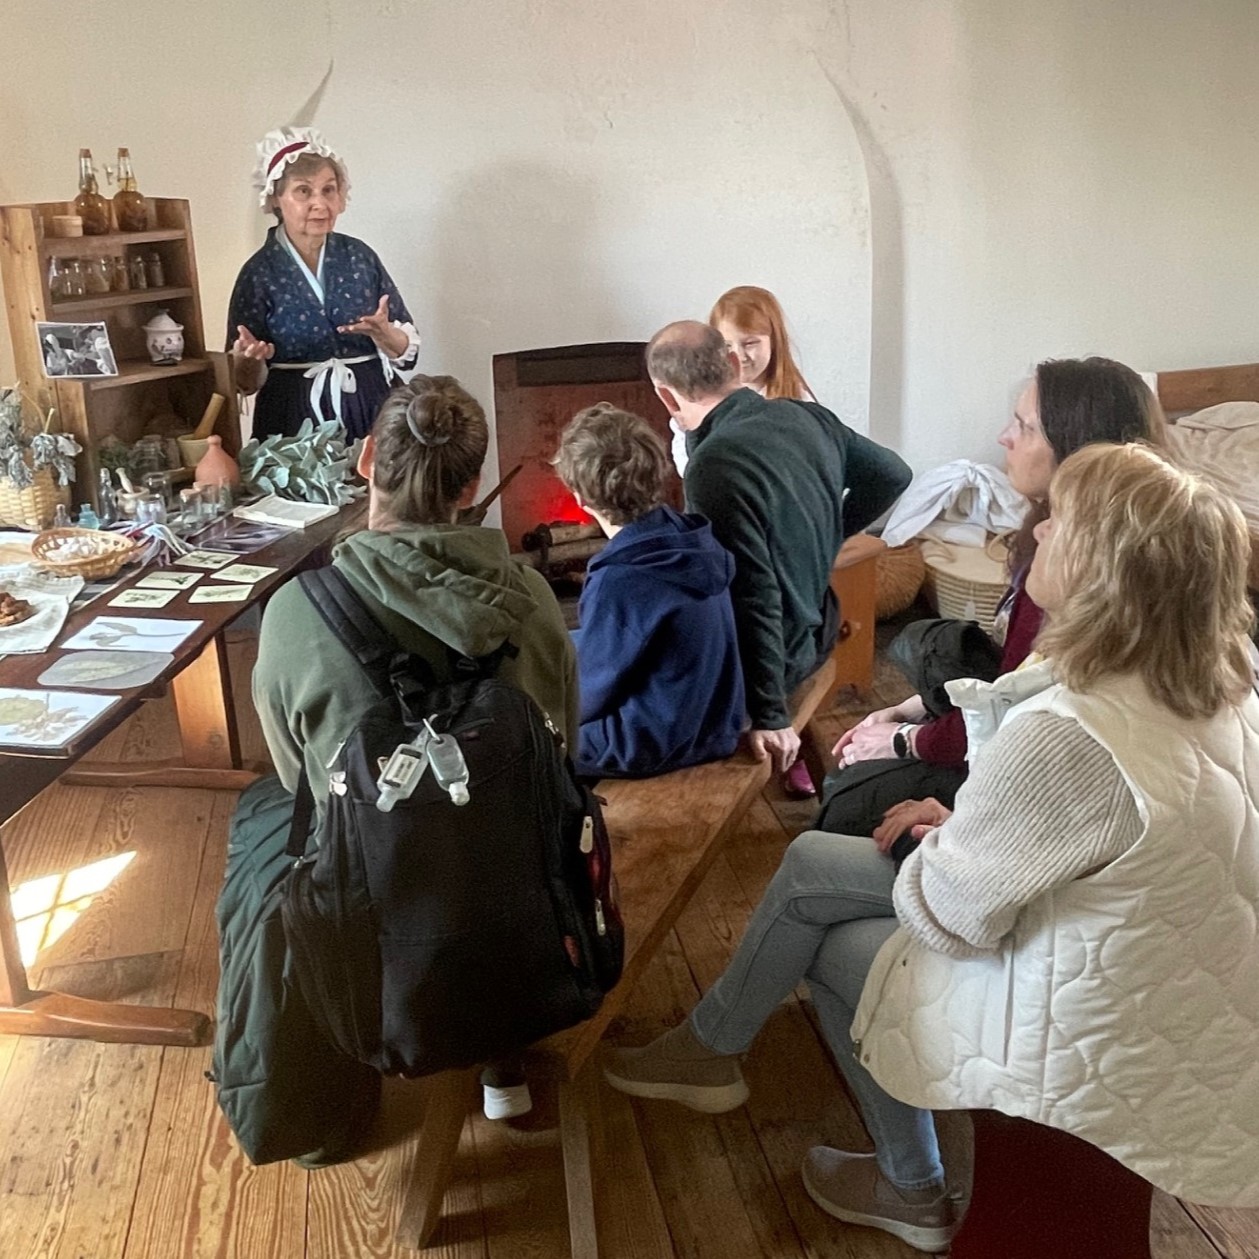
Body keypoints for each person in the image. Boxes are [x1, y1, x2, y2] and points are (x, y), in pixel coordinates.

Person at [603, 442, 1259, 1251]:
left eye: (1061, 523)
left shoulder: (1072, 732)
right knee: (811, 863)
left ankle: (902, 1176)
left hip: (1090, 1012)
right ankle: (729, 1061)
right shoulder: (1222, 680)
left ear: (1102, 566)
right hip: (1180, 988)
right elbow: (1105, 837)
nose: (1040, 529)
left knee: (838, 941)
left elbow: (952, 916)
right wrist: (970, 826)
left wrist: (949, 843)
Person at [254, 374, 578, 1125]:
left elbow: (292, 772)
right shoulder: (529, 598)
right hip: (520, 897)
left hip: (377, 907)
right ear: (470, 487)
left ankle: (327, 1083)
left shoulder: (298, 612)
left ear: (367, 460)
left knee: (264, 823)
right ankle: (505, 1058)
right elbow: (561, 747)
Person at [820, 356, 1167, 857]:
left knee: (844, 805)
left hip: (1043, 771)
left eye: (1025, 427)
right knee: (923, 645)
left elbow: (1022, 717)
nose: (1004, 436)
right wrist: (908, 711)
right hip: (1025, 725)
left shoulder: (1085, 578)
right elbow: (1017, 674)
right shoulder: (1051, 529)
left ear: (1078, 450)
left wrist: (905, 742)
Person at [647, 321, 910, 789]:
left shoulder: (713, 467)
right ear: (731, 364)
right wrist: (830, 531)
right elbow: (893, 473)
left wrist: (770, 713)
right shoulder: (809, 417)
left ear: (667, 398)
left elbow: (753, 594)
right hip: (821, 625)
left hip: (780, 659)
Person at [552, 402, 745, 778]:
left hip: (653, 740)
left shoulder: (622, 579)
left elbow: (587, 695)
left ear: (580, 498)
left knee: (535, 739)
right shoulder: (688, 538)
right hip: (715, 720)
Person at [227, 127, 421, 441]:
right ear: (276, 198)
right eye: (304, 191)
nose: (320, 204)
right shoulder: (258, 273)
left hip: (370, 408)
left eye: (328, 190)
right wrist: (248, 361)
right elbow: (243, 384)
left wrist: (386, 335)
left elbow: (408, 356)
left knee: (374, 488)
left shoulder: (360, 257)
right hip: (292, 419)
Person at [668, 285, 814, 478]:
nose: (739, 356)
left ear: (774, 341)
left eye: (750, 343)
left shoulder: (798, 402)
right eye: (727, 345)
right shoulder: (704, 399)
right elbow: (686, 465)